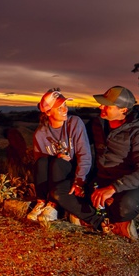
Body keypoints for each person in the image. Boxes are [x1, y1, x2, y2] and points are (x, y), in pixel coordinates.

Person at [84, 85, 139, 239]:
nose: (101, 107)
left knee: (126, 206)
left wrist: (113, 188)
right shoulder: (97, 124)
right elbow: (79, 140)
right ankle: (107, 221)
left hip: (128, 183)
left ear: (123, 110)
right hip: (102, 177)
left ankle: (116, 222)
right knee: (73, 193)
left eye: (107, 105)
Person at [27, 88, 92, 221]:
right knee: (42, 162)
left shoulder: (74, 123)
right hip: (53, 177)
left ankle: (54, 205)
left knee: (58, 163)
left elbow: (84, 154)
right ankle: (41, 202)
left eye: (65, 106)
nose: (65, 110)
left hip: (72, 175)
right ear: (48, 112)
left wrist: (80, 180)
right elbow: (41, 167)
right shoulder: (40, 134)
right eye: (59, 108)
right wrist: (56, 157)